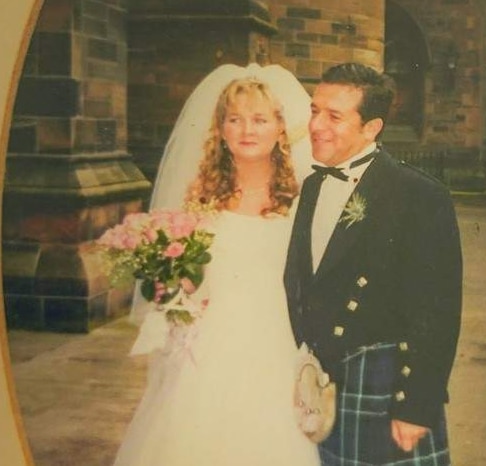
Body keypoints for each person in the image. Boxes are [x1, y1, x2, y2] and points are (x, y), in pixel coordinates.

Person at [112, 63, 320, 466]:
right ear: (221, 129)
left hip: (274, 339)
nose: (247, 130)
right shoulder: (201, 195)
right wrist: (173, 288)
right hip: (208, 339)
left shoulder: (300, 194)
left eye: (260, 119)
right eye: (235, 119)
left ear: (280, 127)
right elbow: (184, 270)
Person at [284, 63, 463, 465]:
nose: (316, 126)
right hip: (326, 379)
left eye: (334, 116)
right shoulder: (313, 187)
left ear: (371, 127)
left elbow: (438, 311)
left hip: (383, 384)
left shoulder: (418, 195)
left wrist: (417, 405)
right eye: (315, 111)